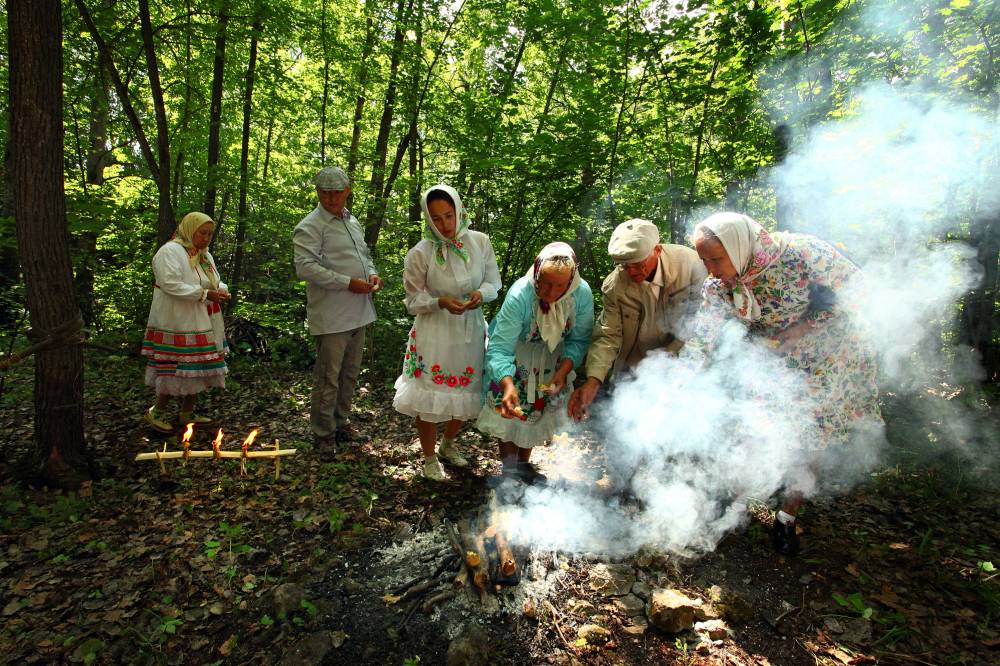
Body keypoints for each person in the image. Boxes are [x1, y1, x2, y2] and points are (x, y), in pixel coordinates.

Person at [689, 212, 882, 555]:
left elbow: (861, 290)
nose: (711, 269)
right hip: (775, 358)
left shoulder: (801, 254)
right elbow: (702, 336)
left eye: (716, 259)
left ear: (738, 246)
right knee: (754, 428)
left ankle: (786, 518)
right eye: (704, 260)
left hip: (828, 355)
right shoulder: (719, 284)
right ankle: (732, 508)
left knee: (811, 438)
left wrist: (806, 327)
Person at [392, 185, 501, 481]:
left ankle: (448, 445)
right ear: (428, 220)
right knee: (428, 393)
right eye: (436, 219)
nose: (445, 225)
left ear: (459, 210)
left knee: (466, 390)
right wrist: (439, 301)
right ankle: (428, 458)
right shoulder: (421, 253)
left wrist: (481, 294)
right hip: (434, 332)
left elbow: (494, 281)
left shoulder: (480, 242)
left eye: (449, 216)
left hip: (471, 328)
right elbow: (413, 301)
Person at [476, 242, 594, 484]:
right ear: (537, 273)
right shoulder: (521, 293)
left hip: (552, 359)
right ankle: (509, 470)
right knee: (510, 409)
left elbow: (580, 339)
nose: (550, 292)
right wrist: (507, 384)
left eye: (559, 285)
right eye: (546, 283)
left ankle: (523, 465)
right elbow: (500, 347)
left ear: (571, 281)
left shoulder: (581, 294)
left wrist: (563, 372)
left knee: (536, 407)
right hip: (517, 356)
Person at [568, 219, 707, 421]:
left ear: (657, 250)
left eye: (638, 264)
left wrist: (665, 366)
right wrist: (593, 380)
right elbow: (608, 335)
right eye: (625, 266)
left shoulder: (692, 265)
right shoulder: (614, 286)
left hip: (686, 365)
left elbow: (702, 323)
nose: (632, 272)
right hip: (636, 370)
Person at [294, 166, 384, 449]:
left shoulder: (350, 220)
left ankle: (341, 422)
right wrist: (347, 282)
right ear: (318, 193)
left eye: (337, 192)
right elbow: (305, 268)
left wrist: (371, 274)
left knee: (350, 373)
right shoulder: (310, 226)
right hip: (332, 314)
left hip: (359, 310)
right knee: (328, 377)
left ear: (347, 192)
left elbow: (364, 255)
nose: (331, 198)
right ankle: (323, 432)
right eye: (325, 192)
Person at [142, 212, 231, 432]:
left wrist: (221, 291)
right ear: (190, 229)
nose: (206, 237)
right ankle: (157, 412)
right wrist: (204, 295)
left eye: (210, 233)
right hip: (176, 319)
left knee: (197, 366)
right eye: (202, 232)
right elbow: (170, 284)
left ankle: (187, 413)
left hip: (202, 318)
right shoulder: (170, 251)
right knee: (175, 366)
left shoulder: (204, 255)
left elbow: (214, 281)